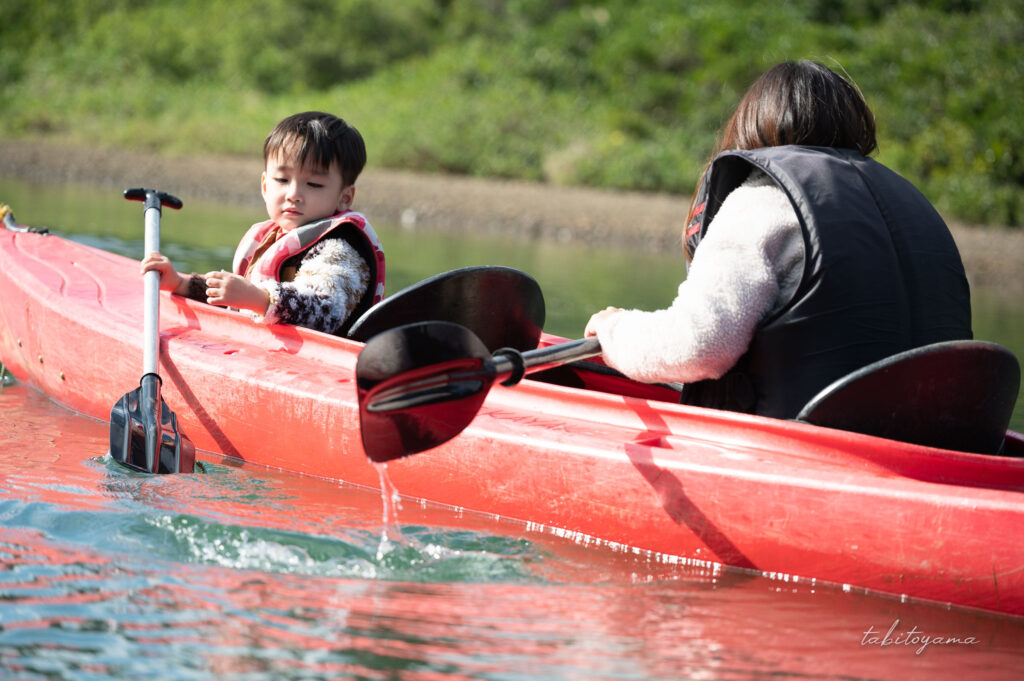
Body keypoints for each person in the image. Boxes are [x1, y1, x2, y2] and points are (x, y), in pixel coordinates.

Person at [584, 60, 972, 419]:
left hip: (819, 453)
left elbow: (699, 345)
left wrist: (615, 332)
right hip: (944, 443)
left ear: (753, 123)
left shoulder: (764, 201)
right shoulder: (916, 204)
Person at [142, 111, 385, 336]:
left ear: (345, 197)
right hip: (267, 352)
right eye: (282, 179)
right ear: (265, 186)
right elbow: (238, 296)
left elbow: (325, 311)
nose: (294, 194)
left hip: (315, 368)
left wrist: (259, 299)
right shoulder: (273, 236)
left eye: (314, 184)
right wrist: (183, 285)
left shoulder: (339, 250)